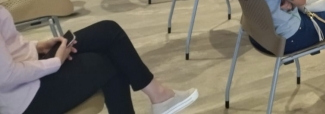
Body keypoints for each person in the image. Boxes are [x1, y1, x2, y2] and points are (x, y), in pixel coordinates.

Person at [0, 6, 198, 114]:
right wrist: (55, 62)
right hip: (23, 98)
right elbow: (6, 75)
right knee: (109, 63)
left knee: (108, 32)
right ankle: (161, 97)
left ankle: (160, 96)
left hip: (30, 65)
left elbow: (8, 44)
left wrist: (37, 45)